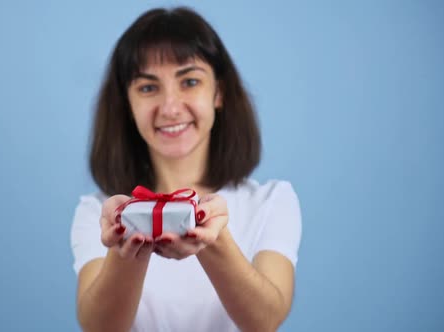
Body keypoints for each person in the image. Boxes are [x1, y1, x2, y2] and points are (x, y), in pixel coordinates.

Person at [71, 6, 302, 332]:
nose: (170, 108)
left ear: (218, 92)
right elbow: (99, 328)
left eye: (190, 81)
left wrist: (214, 241)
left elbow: (265, 320)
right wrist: (126, 251)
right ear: (127, 104)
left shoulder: (271, 201)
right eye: (148, 87)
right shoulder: (99, 212)